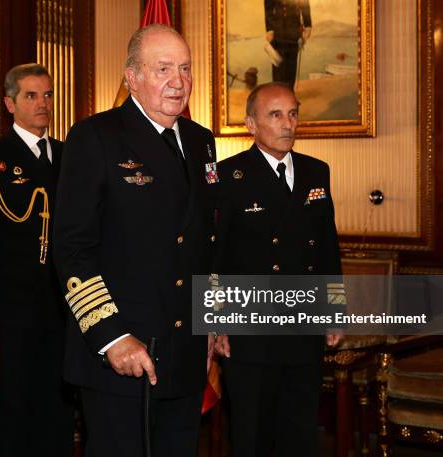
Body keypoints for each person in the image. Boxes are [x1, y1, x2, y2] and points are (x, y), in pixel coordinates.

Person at [53, 24, 218, 457]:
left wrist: (211, 322)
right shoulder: (96, 137)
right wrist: (112, 337)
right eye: (163, 69)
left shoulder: (202, 141)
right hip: (122, 356)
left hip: (185, 354)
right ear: (132, 77)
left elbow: (205, 242)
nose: (178, 81)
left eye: (185, 68)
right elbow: (72, 249)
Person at [214, 82, 343, 457]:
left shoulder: (316, 172)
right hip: (250, 330)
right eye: (275, 115)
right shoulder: (227, 176)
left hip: (303, 324)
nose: (288, 123)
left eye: (293, 113)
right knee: (252, 433)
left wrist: (334, 309)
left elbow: (327, 249)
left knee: (300, 431)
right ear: (251, 124)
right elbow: (214, 256)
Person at [0, 63, 74, 457]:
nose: (42, 104)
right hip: (13, 309)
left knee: (60, 406)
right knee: (18, 405)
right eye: (31, 95)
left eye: (48, 94)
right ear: (10, 103)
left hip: (64, 307)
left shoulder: (68, 155)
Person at [265, 0, 312, 87]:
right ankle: (279, 94)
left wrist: (308, 24)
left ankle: (290, 93)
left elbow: (305, 4)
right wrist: (269, 29)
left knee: (291, 66)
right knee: (278, 68)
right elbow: (268, 8)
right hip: (277, 31)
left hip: (293, 29)